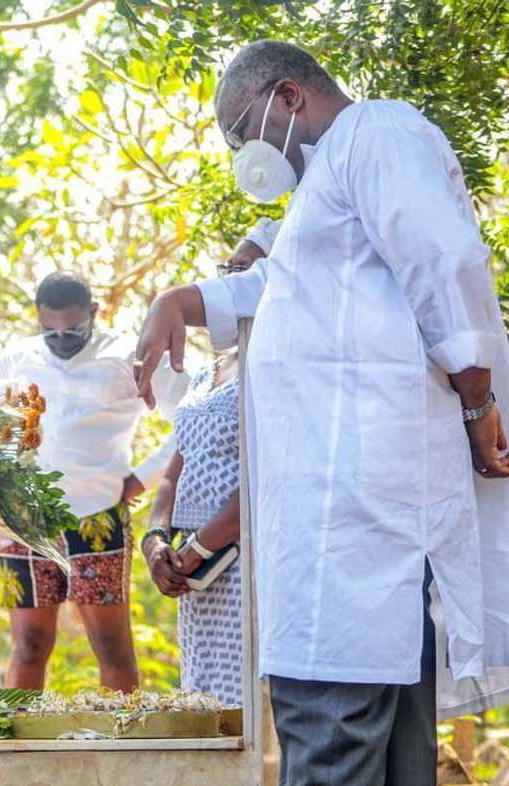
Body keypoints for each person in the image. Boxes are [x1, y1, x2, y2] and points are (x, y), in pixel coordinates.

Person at [134, 40, 509, 786]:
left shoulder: (376, 134)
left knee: (331, 745)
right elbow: (283, 285)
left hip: (356, 533)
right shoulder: (322, 193)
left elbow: (446, 264)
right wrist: (180, 298)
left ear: (289, 97)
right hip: (354, 543)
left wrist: (479, 402)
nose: (248, 153)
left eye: (244, 132)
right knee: (391, 759)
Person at [0, 271, 189, 691]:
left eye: (72, 328)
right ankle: (21, 746)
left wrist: (140, 480)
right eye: (49, 330)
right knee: (28, 644)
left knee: (111, 645)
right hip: (26, 520)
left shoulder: (128, 354)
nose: (61, 337)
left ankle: (118, 751)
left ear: (94, 312)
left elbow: (189, 418)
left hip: (97, 518)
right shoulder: (15, 358)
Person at [140, 229, 271, 708]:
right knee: (205, 700)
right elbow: (175, 469)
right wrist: (156, 541)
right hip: (195, 571)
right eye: (229, 270)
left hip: (241, 559)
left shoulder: (273, 368)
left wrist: (199, 548)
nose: (232, 280)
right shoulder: (204, 373)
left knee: (248, 710)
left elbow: (262, 476)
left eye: (246, 271)